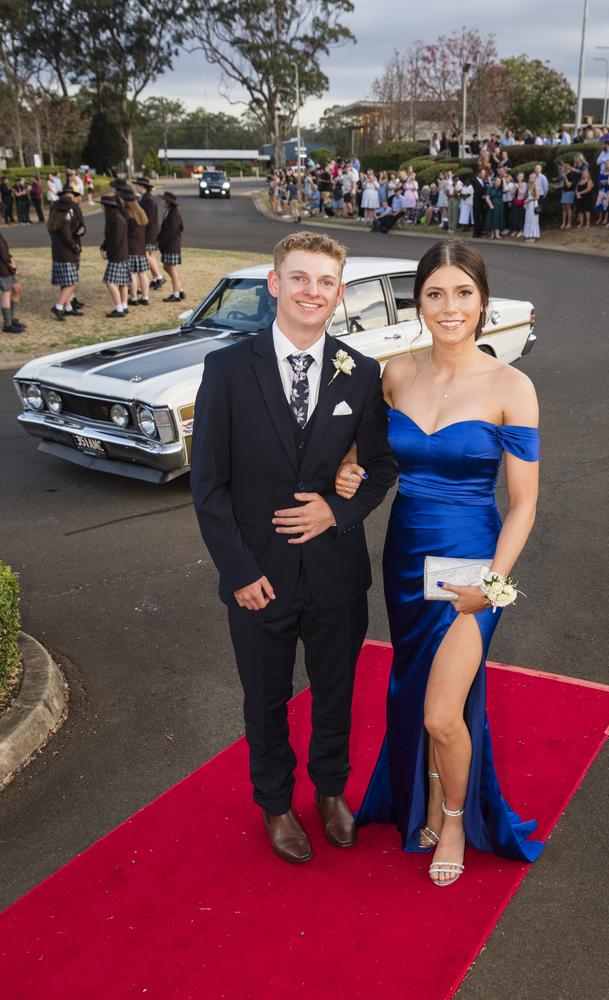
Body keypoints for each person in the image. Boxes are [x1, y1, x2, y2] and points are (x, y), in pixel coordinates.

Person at [335, 240, 544, 885]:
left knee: (440, 711)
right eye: (435, 293)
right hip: (405, 558)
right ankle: (421, 798)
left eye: (463, 293)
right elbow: (367, 454)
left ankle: (454, 817)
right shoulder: (395, 373)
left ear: (483, 301)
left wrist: (494, 582)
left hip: (474, 566)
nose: (449, 307)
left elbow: (524, 504)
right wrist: (349, 470)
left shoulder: (512, 386)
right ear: (418, 301)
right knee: (416, 686)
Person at [190, 231, 398, 864]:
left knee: (336, 692)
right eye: (300, 278)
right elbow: (209, 486)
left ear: (339, 294)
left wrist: (338, 509)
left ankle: (330, 792)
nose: (313, 291)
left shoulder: (360, 373)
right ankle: (276, 803)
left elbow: (381, 466)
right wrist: (238, 572)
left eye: (326, 282)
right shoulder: (227, 369)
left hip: (336, 575)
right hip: (260, 579)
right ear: (275, 284)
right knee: (266, 699)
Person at [48, 188, 82, 321]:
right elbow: (68, 238)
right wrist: (76, 248)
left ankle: (67, 308)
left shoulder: (54, 217)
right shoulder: (65, 219)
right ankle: (58, 306)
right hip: (67, 253)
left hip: (57, 252)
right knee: (72, 282)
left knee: (65, 282)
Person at [99, 194, 131, 317]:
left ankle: (119, 308)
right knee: (122, 282)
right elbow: (110, 237)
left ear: (107, 206)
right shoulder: (116, 217)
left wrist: (108, 253)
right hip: (122, 254)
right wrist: (103, 246)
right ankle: (124, 305)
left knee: (109, 281)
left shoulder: (116, 219)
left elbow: (115, 240)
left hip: (117, 256)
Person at [135, 177, 164, 290]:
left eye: (137, 185)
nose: (136, 187)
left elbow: (149, 220)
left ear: (143, 187)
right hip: (149, 232)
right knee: (149, 255)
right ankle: (156, 278)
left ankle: (159, 277)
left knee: (148, 255)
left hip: (150, 233)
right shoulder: (144, 199)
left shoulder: (148, 200)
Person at [123, 191, 150, 306]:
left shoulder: (127, 214)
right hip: (141, 247)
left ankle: (133, 298)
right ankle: (145, 297)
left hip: (131, 248)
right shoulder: (141, 213)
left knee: (132, 274)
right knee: (143, 273)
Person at [157, 190, 184, 301]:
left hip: (171, 245)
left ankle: (176, 294)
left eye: (163, 199)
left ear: (168, 202)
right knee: (167, 267)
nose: (162, 201)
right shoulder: (169, 211)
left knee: (171, 269)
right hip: (169, 245)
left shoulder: (174, 214)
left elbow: (171, 233)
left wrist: (161, 243)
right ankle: (180, 290)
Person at [0, 231, 25, 333]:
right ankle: (7, 325)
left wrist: (10, 259)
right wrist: (11, 264)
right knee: (6, 292)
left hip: (7, 267)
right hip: (3, 269)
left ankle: (11, 318)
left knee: (17, 289)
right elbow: (3, 253)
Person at [523, 173, 541, 242]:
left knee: (533, 219)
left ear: (535, 178)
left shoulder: (536, 186)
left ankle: (533, 236)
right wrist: (526, 201)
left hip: (533, 204)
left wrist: (529, 199)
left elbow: (537, 197)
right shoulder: (529, 185)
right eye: (530, 177)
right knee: (528, 219)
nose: (531, 179)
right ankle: (529, 235)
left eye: (533, 177)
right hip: (529, 205)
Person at [470, 169, 486, 238]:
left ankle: (480, 231)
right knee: (476, 217)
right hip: (477, 201)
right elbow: (477, 191)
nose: (484, 175)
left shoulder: (483, 181)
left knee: (481, 217)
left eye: (484, 174)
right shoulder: (474, 180)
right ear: (479, 173)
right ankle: (475, 233)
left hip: (482, 202)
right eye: (483, 173)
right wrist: (482, 195)